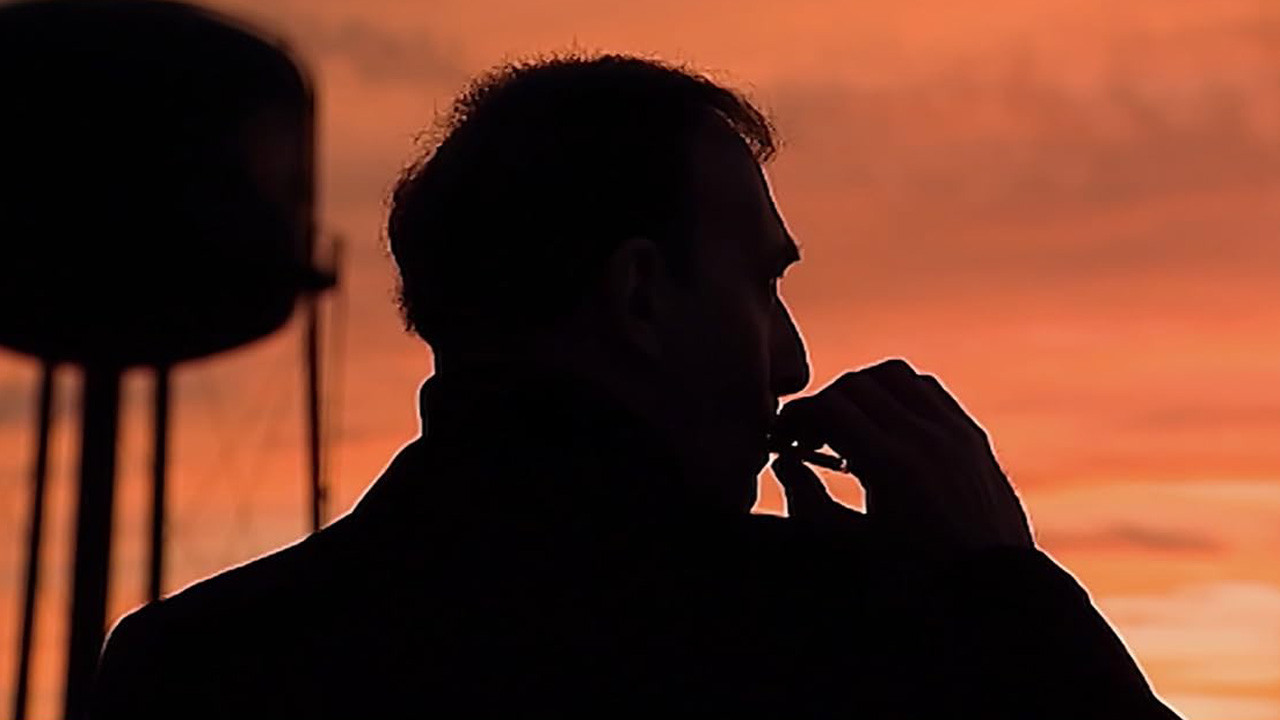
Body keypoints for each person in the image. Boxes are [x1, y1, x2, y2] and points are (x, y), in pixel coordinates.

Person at [90, 54, 1181, 718]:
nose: (793, 361)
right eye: (763, 285)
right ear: (642, 296)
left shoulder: (189, 665)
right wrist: (1000, 589)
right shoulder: (847, 639)